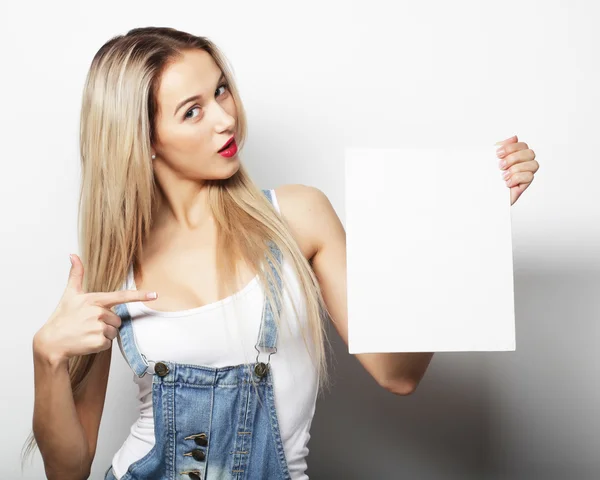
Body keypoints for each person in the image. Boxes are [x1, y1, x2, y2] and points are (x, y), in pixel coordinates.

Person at [22, 26, 539, 480]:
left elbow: (397, 373)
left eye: (221, 90)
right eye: (192, 111)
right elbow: (68, 469)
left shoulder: (298, 216)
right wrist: (46, 358)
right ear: (145, 137)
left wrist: (464, 228)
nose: (225, 118)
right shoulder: (114, 268)